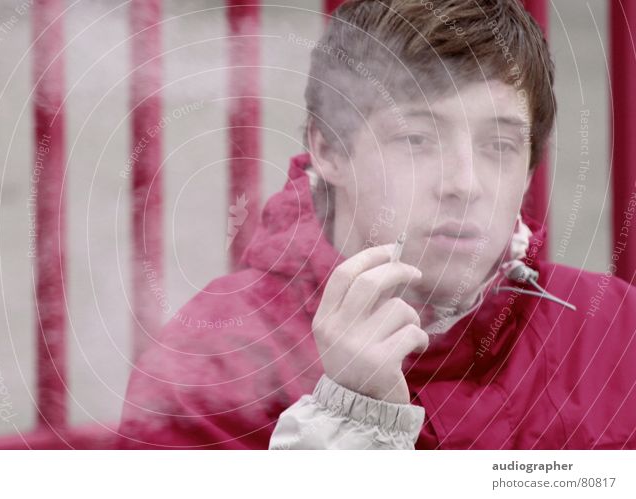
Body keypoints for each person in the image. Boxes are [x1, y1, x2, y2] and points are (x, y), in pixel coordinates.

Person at [116, 0, 636, 449]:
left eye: (499, 146)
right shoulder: (213, 359)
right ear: (327, 149)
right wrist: (347, 423)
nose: (465, 183)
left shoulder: (614, 328)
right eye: (416, 140)